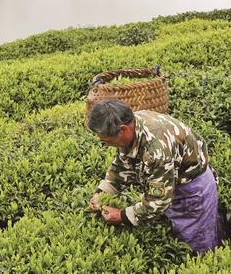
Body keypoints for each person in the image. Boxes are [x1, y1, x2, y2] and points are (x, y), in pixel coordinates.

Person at [87, 99, 223, 254]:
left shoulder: (156, 150)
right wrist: (102, 192)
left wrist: (121, 216)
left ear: (123, 130)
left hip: (192, 190)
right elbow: (122, 165)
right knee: (176, 238)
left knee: (197, 245)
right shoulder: (131, 124)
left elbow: (157, 202)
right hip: (171, 181)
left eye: (106, 141)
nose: (105, 144)